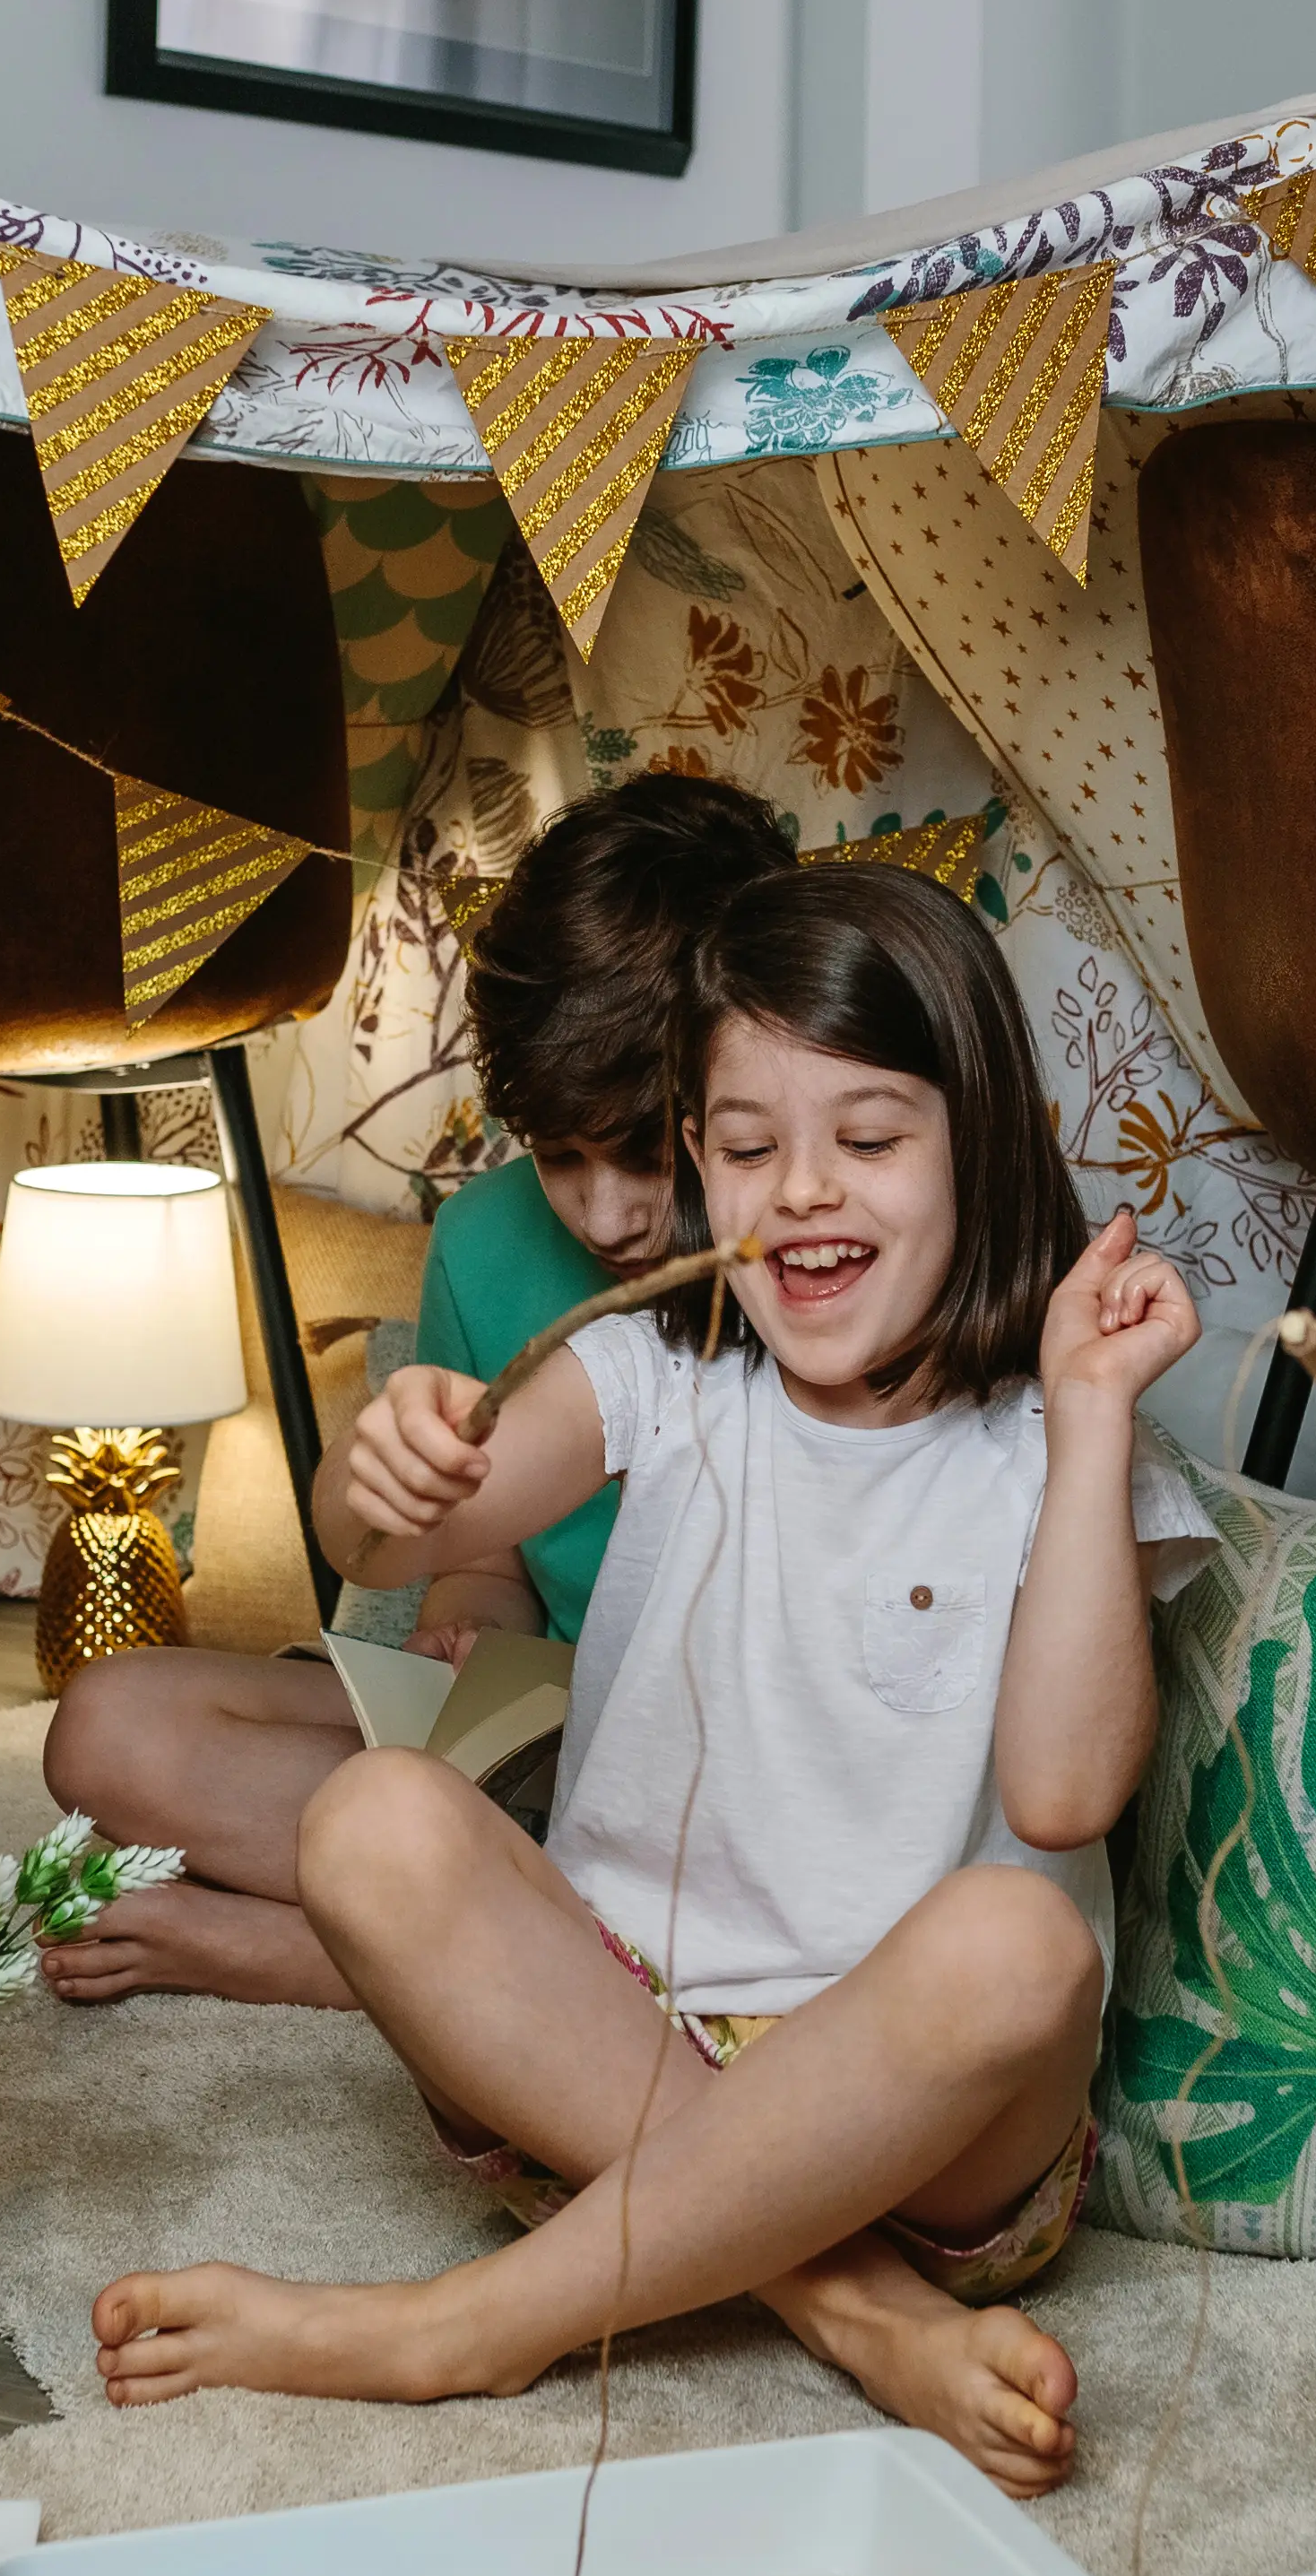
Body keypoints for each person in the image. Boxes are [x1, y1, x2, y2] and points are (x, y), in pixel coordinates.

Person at [88, 866, 1208, 2491]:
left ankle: (460, 2325)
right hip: (603, 2071)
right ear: (700, 1164)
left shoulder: (1062, 1439)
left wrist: (1091, 1413)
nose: (804, 1193)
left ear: (981, 1137)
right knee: (373, 1821)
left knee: (1019, 1942)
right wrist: (373, 1475)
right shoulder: (652, 1380)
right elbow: (390, 1548)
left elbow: (1062, 1792)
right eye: (750, 1148)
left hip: (931, 2144)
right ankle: (854, 2314)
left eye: (870, 1141)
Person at [39, 776, 793, 2007]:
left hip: (737, 1789)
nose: (606, 1215)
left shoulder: (817, 1252)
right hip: (543, 1749)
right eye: (560, 1154)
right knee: (107, 1723)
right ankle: (475, 1927)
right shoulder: (487, 1243)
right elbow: (447, 1554)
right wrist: (475, 1622)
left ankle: (326, 1952)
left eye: (650, 1152)